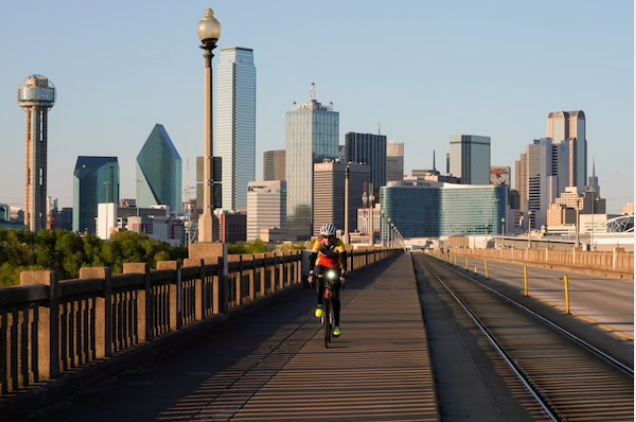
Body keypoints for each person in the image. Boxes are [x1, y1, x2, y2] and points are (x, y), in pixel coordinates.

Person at [308, 223, 347, 336]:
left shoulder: (339, 244)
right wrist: (311, 273)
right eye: (325, 237)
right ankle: (319, 305)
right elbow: (313, 258)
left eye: (330, 237)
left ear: (334, 237)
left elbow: (343, 260)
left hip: (335, 268)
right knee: (319, 281)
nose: (327, 239)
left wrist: (344, 274)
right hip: (322, 267)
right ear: (322, 237)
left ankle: (337, 325)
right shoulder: (318, 243)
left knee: (335, 297)